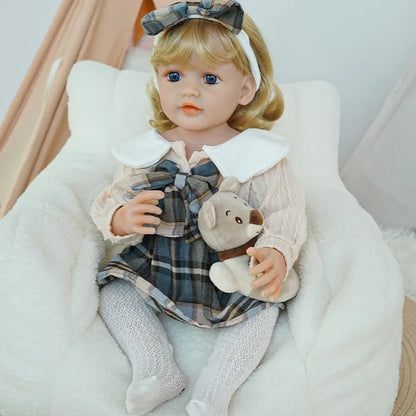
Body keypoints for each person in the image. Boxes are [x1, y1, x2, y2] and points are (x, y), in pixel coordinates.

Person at [90, 1, 307, 415]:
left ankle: (214, 392)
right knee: (114, 292)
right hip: (161, 265)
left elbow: (286, 210)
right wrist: (121, 216)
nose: (188, 91)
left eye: (209, 78)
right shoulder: (149, 150)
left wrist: (276, 252)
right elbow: (113, 196)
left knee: (263, 311)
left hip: (229, 270)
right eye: (174, 76)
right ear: (157, 80)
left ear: (245, 89)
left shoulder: (257, 154)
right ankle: (155, 368)